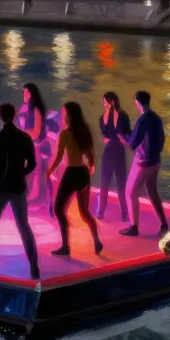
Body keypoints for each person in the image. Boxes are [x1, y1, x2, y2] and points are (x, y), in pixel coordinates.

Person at [0, 103, 40, 280]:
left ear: (0, 116)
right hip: (18, 186)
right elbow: (32, 164)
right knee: (23, 225)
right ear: (14, 116)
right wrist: (21, 173)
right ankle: (34, 266)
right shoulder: (25, 138)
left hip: (2, 186)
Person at [47, 102, 103, 256]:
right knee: (85, 212)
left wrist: (49, 172)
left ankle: (66, 246)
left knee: (59, 208)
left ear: (69, 115)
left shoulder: (65, 134)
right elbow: (91, 158)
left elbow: (58, 157)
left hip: (71, 173)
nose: (63, 116)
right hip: (83, 173)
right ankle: (97, 240)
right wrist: (90, 170)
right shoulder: (84, 131)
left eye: (65, 113)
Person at [120, 90, 170, 237]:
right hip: (155, 160)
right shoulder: (156, 118)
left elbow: (132, 144)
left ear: (137, 102)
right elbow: (161, 138)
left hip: (143, 161)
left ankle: (133, 226)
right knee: (151, 189)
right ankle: (163, 224)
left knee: (130, 192)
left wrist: (123, 139)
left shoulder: (142, 120)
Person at [96, 91, 132, 221]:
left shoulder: (123, 115)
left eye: (107, 102)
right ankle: (100, 211)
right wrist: (104, 138)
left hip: (120, 151)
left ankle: (125, 213)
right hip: (108, 151)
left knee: (121, 184)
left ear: (113, 102)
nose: (105, 104)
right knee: (104, 182)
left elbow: (129, 133)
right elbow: (103, 133)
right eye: (104, 102)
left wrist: (125, 141)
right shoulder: (102, 117)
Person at [19, 82, 54, 211]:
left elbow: (36, 132)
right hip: (26, 143)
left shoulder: (36, 111)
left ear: (31, 93)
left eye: (25, 92)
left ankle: (35, 197)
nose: (23, 94)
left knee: (34, 168)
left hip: (37, 145)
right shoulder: (24, 109)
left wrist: (22, 135)